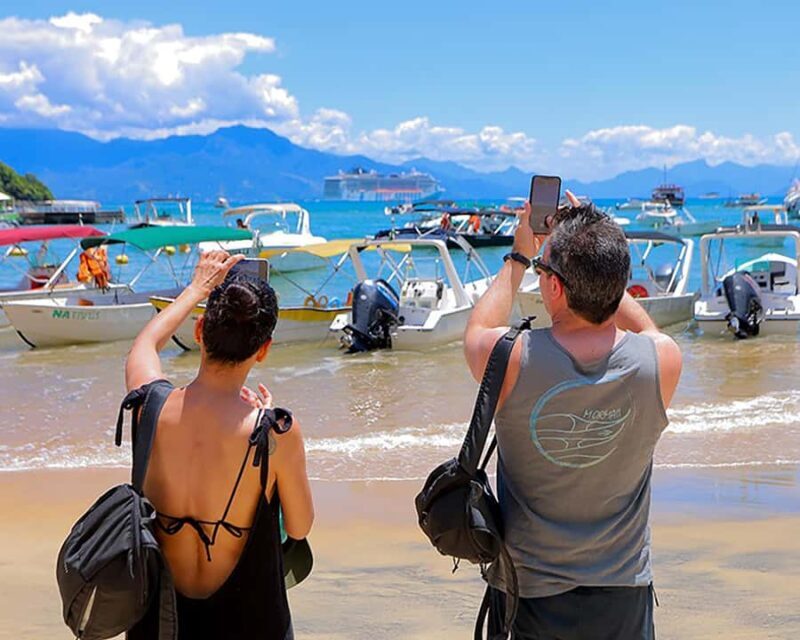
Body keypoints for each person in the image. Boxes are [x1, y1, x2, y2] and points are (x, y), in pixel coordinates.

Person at [463, 191, 682, 639]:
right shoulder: (660, 362)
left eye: (545, 272)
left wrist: (521, 253)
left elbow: (477, 329)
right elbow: (645, 330)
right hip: (624, 589)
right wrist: (597, 254)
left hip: (530, 591)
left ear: (554, 287)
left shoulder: (510, 359)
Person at [126, 250, 314, 640]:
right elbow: (299, 526)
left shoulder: (149, 407)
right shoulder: (275, 431)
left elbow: (145, 345)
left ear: (199, 332)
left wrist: (197, 287)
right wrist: (265, 418)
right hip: (249, 622)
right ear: (263, 350)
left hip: (160, 624)